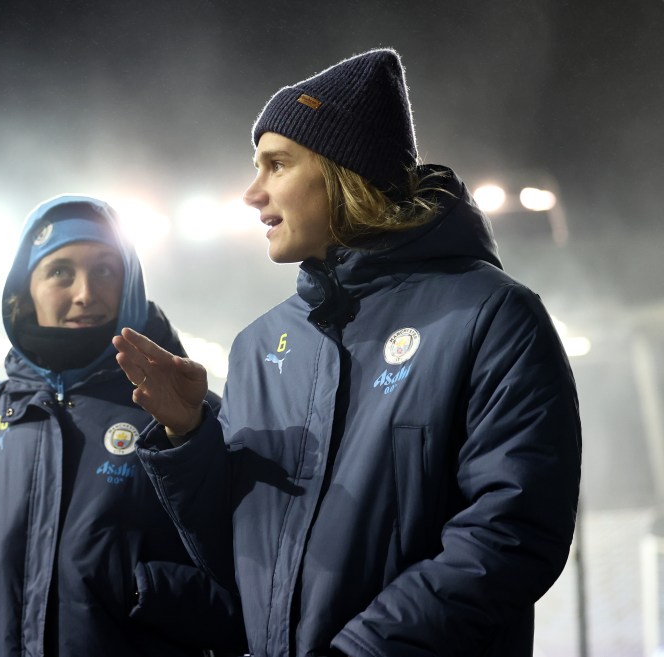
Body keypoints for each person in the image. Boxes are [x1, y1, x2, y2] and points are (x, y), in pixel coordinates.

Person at [113, 49, 582, 657]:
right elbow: (241, 557)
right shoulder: (259, 346)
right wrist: (189, 438)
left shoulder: (491, 317)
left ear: (345, 173)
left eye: (277, 165)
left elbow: (510, 535)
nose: (253, 194)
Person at [0, 194, 245, 656]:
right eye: (60, 272)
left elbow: (246, 594)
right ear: (23, 290)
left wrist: (133, 587)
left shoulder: (184, 413)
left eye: (105, 270)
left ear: (128, 284)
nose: (85, 293)